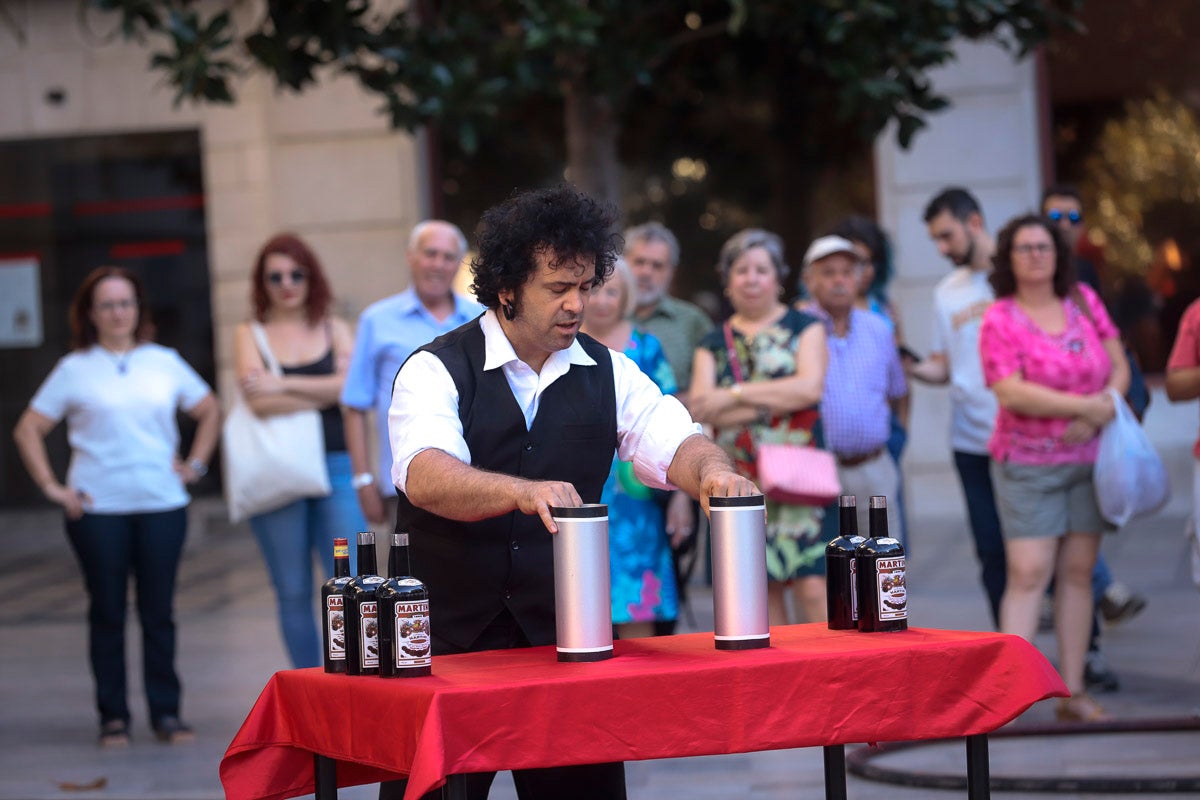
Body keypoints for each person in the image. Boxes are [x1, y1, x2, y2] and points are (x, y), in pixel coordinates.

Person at [387, 185, 757, 800]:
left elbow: (674, 438)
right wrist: (519, 492)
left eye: (584, 287)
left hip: (565, 634)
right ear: (506, 288)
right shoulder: (433, 368)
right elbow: (425, 473)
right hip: (449, 642)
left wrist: (712, 473)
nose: (576, 304)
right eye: (557, 288)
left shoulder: (609, 369)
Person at [12, 266, 219, 747]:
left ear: (138, 309)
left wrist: (196, 465)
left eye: (125, 303)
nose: (118, 312)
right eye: (107, 304)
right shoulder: (73, 369)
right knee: (106, 611)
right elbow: (28, 428)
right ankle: (113, 717)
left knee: (159, 612)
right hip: (96, 508)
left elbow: (209, 408)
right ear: (90, 313)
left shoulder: (163, 361)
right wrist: (51, 486)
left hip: (162, 503)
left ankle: (166, 713)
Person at [979, 213, 1129, 723]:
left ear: (1058, 255)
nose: (1035, 255)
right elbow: (1009, 388)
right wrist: (1085, 409)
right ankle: (1011, 698)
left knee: (1079, 573)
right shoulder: (999, 316)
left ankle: (1072, 693)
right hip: (1026, 464)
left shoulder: (1083, 303)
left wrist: (1107, 401)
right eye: (1023, 247)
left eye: (1043, 246)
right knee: (1027, 573)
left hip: (1090, 463)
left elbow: (1120, 362)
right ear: (1008, 258)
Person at [231, 233, 365, 669]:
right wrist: (322, 392)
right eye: (275, 276)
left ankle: (351, 682)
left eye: (296, 273)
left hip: (339, 468)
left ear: (311, 276)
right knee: (291, 589)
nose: (287, 283)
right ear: (261, 283)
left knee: (349, 584)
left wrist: (282, 382)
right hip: (278, 471)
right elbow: (257, 401)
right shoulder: (249, 334)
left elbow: (350, 389)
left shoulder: (336, 329)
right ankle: (310, 689)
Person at [689, 228, 829, 626]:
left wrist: (734, 394)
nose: (751, 278)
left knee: (813, 586)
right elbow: (702, 406)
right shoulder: (713, 341)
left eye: (761, 270)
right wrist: (777, 402)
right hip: (740, 477)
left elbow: (809, 388)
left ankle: (824, 673)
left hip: (802, 476)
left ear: (778, 278)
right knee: (760, 588)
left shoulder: (807, 327)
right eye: (741, 270)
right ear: (728, 280)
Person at [1041, 185, 1147, 692]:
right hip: (1034, 446)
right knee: (1034, 564)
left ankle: (1084, 667)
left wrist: (1108, 410)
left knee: (1076, 561)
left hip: (1092, 436)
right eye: (1052, 216)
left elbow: (1117, 359)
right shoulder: (1020, 292)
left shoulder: (1087, 282)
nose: (1062, 223)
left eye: (1072, 215)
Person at [341, 220, 484, 529]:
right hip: (401, 483)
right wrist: (364, 480)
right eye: (430, 253)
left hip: (477, 481)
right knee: (402, 576)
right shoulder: (377, 321)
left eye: (448, 257)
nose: (438, 264)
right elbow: (355, 406)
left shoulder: (480, 319)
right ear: (410, 257)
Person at [908, 187, 1007, 628]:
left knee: (1046, 544)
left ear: (975, 222)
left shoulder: (1019, 275)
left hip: (1027, 437)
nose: (943, 249)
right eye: (936, 240)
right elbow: (943, 367)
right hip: (971, 439)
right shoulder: (948, 291)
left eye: (947, 236)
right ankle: (1010, 642)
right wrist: (905, 362)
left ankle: (1090, 648)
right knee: (991, 549)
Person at [580, 256, 689, 638]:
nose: (602, 300)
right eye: (594, 289)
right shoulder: (564, 343)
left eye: (612, 291)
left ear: (625, 295)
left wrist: (680, 497)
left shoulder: (646, 345)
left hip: (637, 493)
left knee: (636, 598)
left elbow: (672, 419)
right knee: (580, 594)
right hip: (580, 485)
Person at [624, 222, 714, 632]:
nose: (646, 272)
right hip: (613, 475)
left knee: (666, 591)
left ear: (671, 272)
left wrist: (684, 491)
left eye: (657, 265)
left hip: (672, 462)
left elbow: (704, 401)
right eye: (638, 261)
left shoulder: (692, 323)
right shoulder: (591, 312)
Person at [797, 235, 908, 539]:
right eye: (828, 272)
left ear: (860, 278)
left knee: (881, 567)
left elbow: (898, 392)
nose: (839, 280)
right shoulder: (797, 328)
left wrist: (894, 448)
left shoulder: (879, 327)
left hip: (874, 467)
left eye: (847, 272)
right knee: (825, 572)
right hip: (815, 469)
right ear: (809, 280)